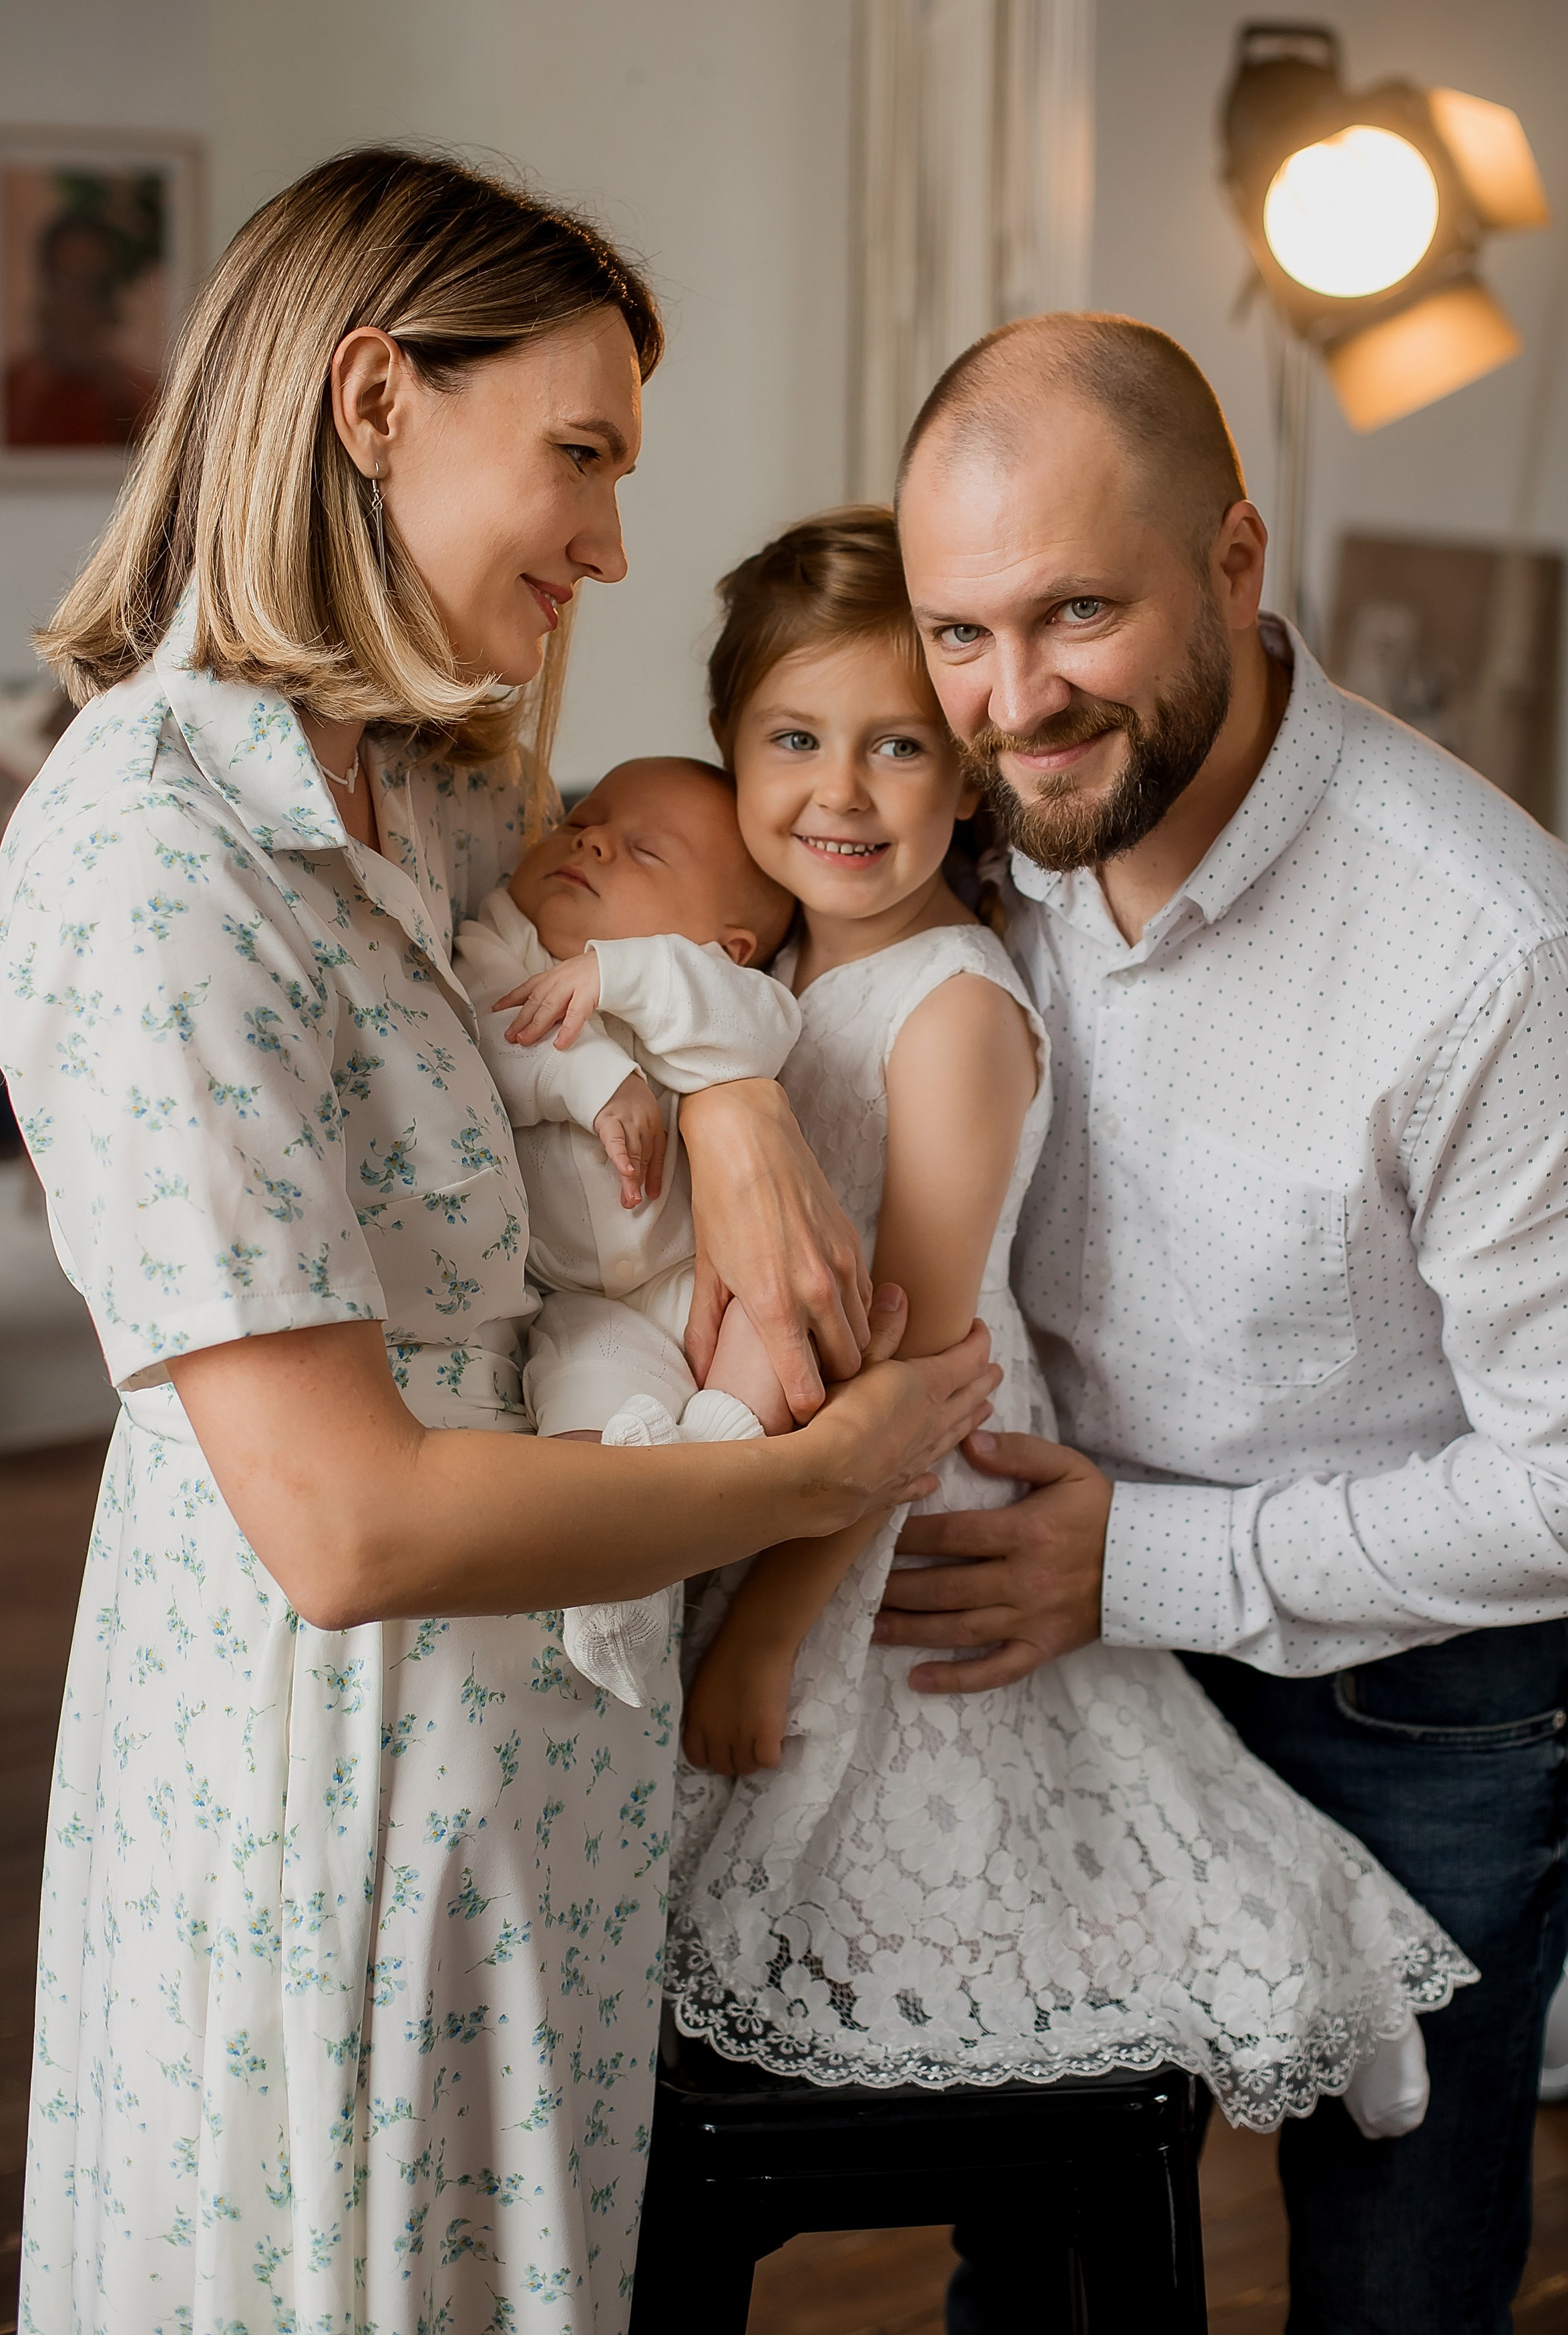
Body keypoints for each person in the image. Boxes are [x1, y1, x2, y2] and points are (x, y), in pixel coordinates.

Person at [0, 150, 997, 2335]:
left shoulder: (434, 784)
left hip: (533, 1777)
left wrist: (728, 1095)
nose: (613, 542)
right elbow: (344, 1527)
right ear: (373, 402)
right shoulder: (155, 856)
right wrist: (825, 1478)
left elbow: (581, 1014)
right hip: (328, 1795)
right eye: (581, 456)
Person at [842, 311, 1568, 2334]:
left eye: (1076, 612)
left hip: (1426, 1689)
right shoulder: (968, 833)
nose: (1012, 697)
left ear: (1239, 562)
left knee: (1394, 2271)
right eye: (958, 631)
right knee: (1044, 2246)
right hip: (1054, 1650)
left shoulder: (1493, 956)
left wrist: (1139, 1559)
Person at [634, 508, 1469, 2135]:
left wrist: (760, 1629)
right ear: (728, 749)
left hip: (896, 1502)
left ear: (967, 778)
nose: (841, 791)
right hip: (780, 1468)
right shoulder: (764, 966)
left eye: (897, 746)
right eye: (793, 739)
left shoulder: (947, 1011)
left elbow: (922, 1373)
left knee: (978, 1864)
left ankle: (1263, 1974)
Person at [455, 753, 801, 1703]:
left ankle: (713, 1450)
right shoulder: (501, 939)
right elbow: (487, 1032)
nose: (590, 836)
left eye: (642, 848)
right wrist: (596, 1076)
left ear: (726, 945)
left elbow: (764, 1027)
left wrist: (619, 971)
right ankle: (624, 1593)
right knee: (576, 1410)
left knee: (785, 1318)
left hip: (698, 1275)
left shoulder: (705, 989)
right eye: (583, 820)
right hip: (579, 1300)